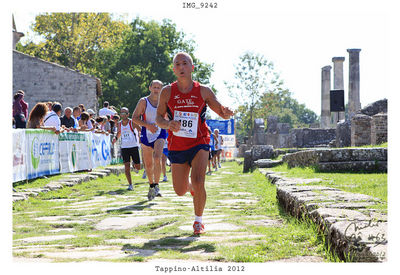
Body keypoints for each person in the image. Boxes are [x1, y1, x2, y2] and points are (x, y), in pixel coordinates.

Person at [155, 52, 233, 235]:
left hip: (200, 142)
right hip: (177, 145)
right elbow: (158, 117)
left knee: (199, 180)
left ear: (192, 67)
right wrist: (167, 124)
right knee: (180, 190)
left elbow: (221, 111)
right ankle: (189, 186)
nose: (181, 67)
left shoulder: (203, 90)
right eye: (177, 64)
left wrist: (227, 112)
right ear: (174, 69)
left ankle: (198, 221)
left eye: (185, 63)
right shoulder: (167, 92)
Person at [132, 80, 167, 200]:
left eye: (159, 87)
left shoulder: (164, 102)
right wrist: (147, 126)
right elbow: (134, 118)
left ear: (162, 89)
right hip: (146, 132)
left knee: (157, 157)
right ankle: (151, 185)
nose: (156, 90)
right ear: (150, 88)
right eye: (155, 87)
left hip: (160, 131)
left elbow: (168, 117)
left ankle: (157, 185)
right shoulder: (143, 101)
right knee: (148, 163)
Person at [112, 107, 141, 191]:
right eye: (121, 113)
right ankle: (130, 185)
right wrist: (115, 139)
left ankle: (134, 164)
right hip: (124, 147)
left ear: (128, 114)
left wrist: (140, 136)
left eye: (124, 113)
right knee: (126, 167)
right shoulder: (119, 124)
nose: (122, 114)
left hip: (133, 146)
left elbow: (140, 130)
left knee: (138, 167)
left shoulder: (132, 122)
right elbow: (119, 133)